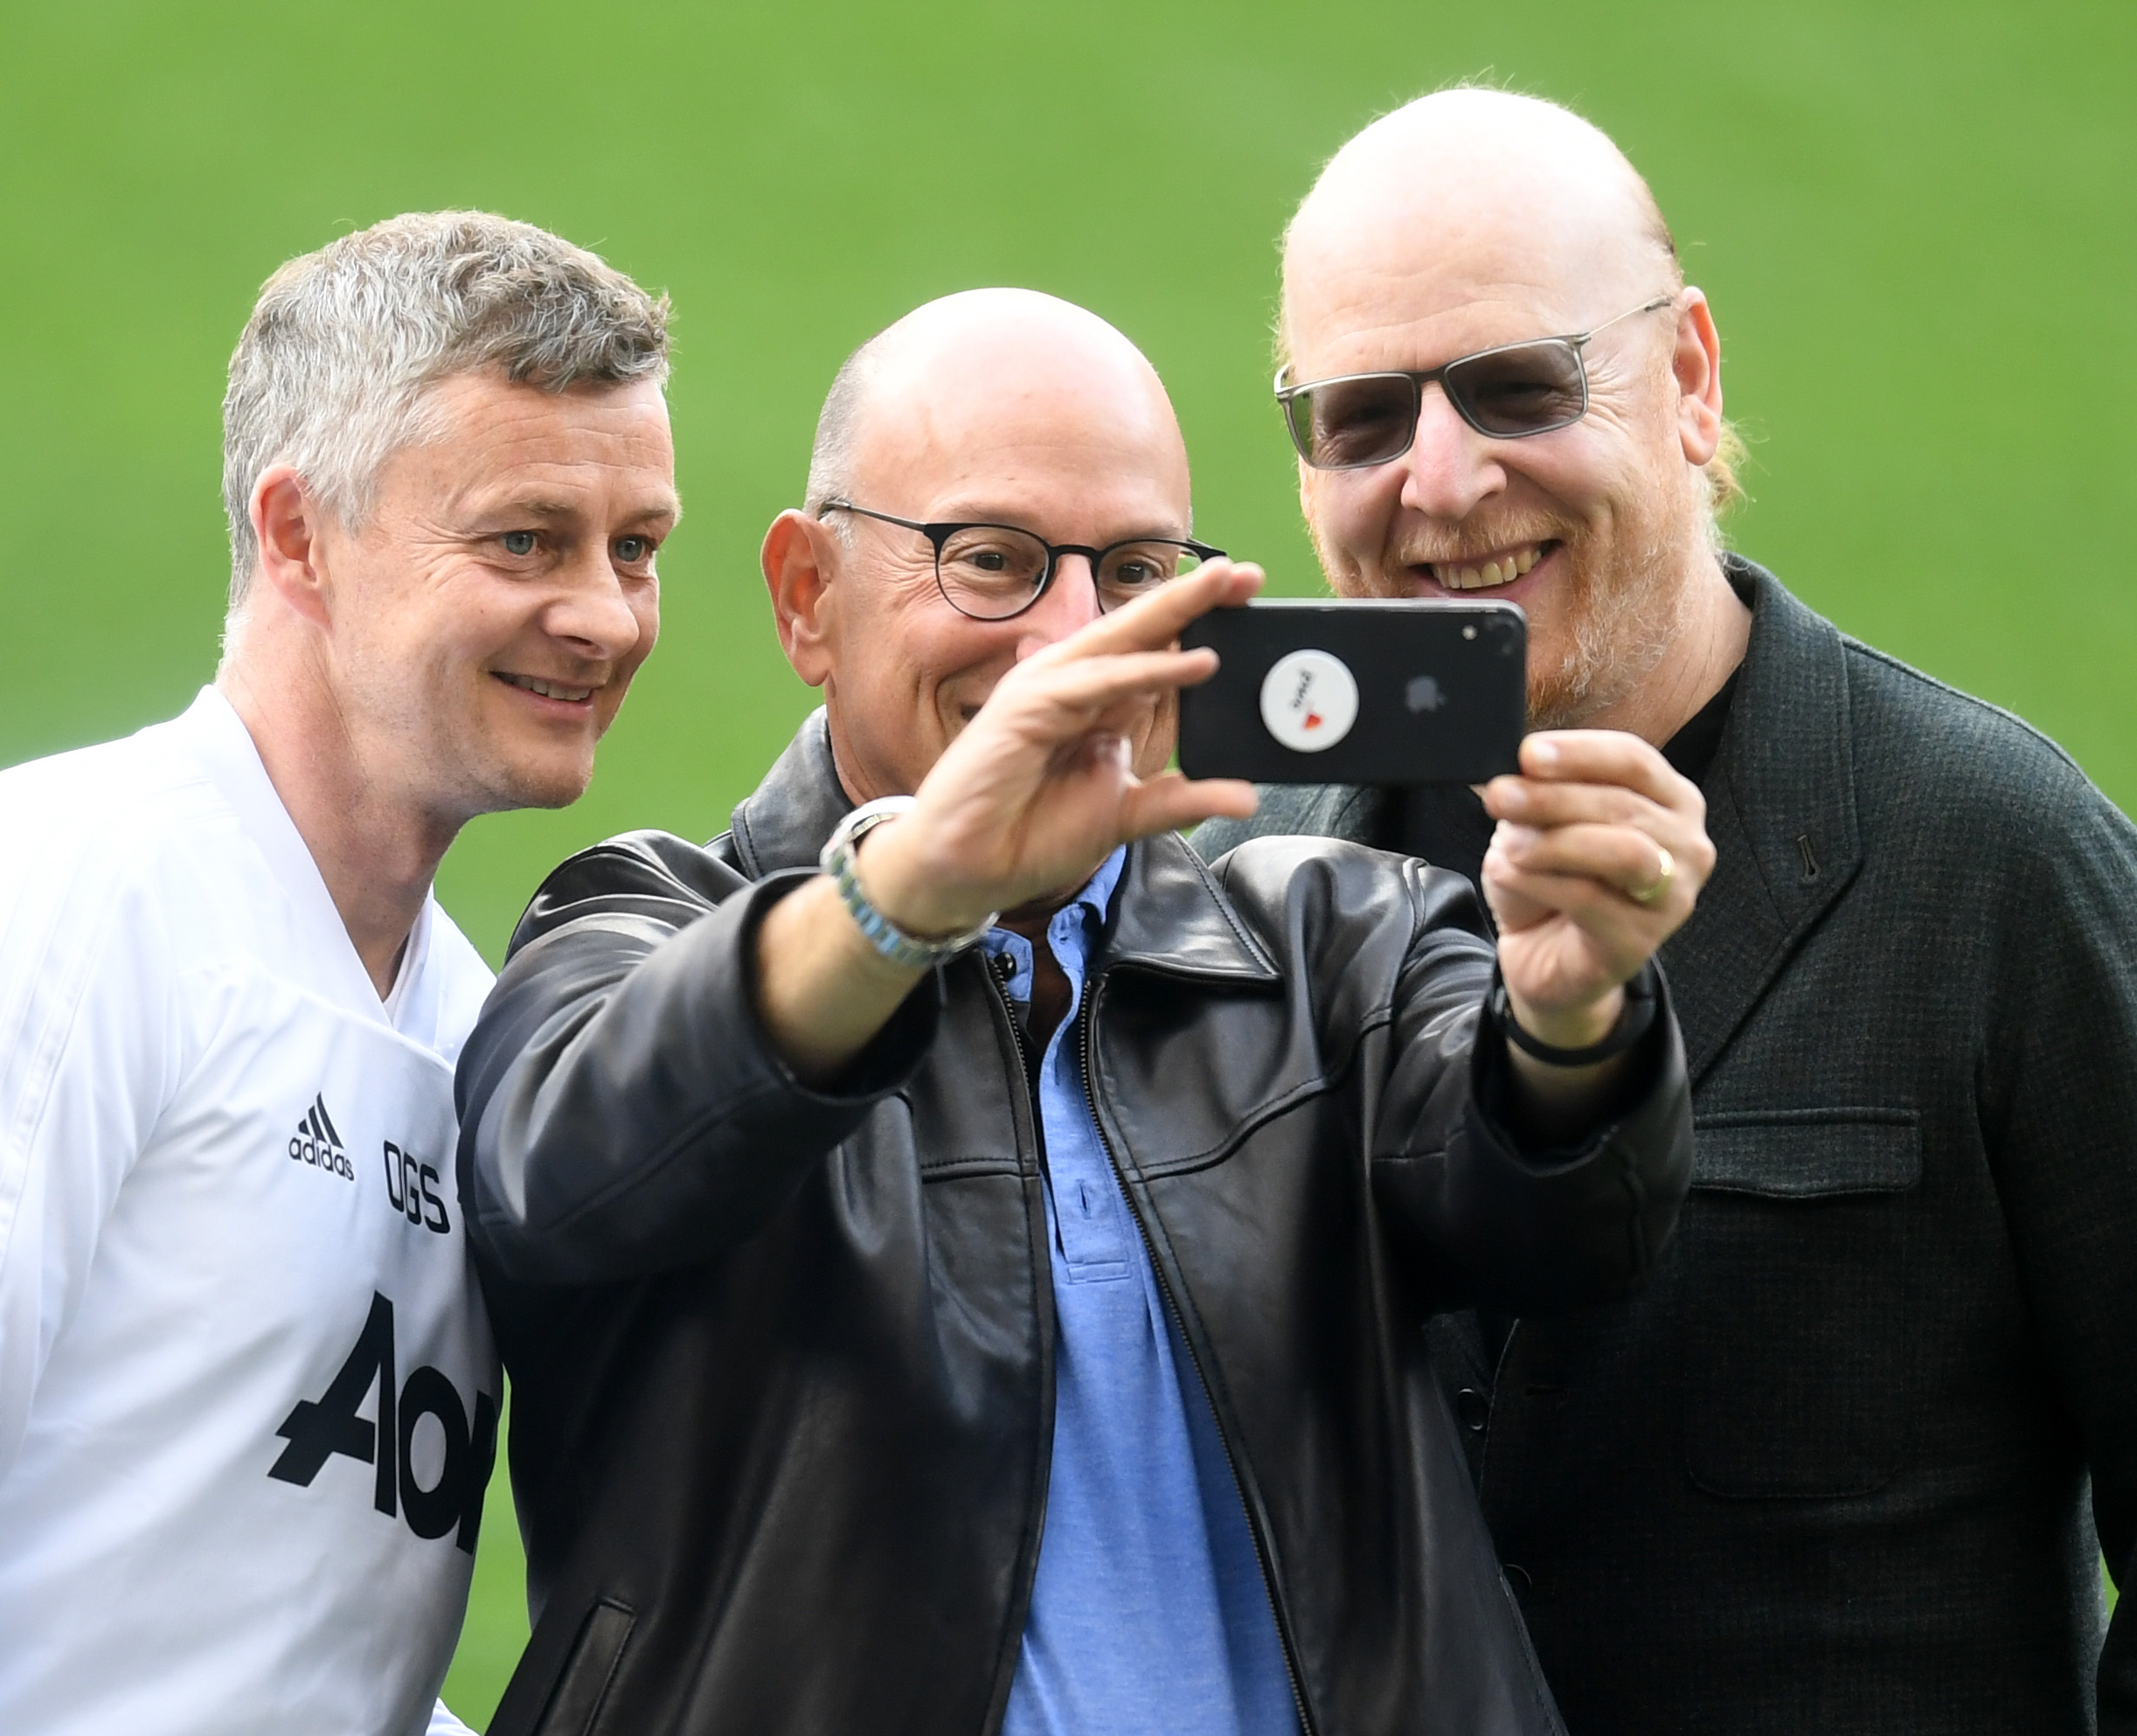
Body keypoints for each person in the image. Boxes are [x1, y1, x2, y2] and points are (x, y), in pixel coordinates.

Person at [455, 288, 1706, 1736]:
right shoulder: (639, 924)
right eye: (989, 561)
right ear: (809, 597)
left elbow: (1570, 1227)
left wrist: (1568, 1014)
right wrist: (918, 891)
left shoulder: (1334, 945)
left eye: (1129, 572)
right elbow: (569, 1164)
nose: (1065, 639)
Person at [1197, 87, 2137, 1734]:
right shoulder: (1237, 885)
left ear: (1688, 382)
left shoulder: (2001, 864)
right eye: (1358, 417)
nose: (1437, 478)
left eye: (1516, 385)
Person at [0, 211, 677, 1735]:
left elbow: (290, 1648)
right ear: (298, 538)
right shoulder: (59, 892)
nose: (605, 614)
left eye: (636, 547)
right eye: (523, 539)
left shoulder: (476, 1027)